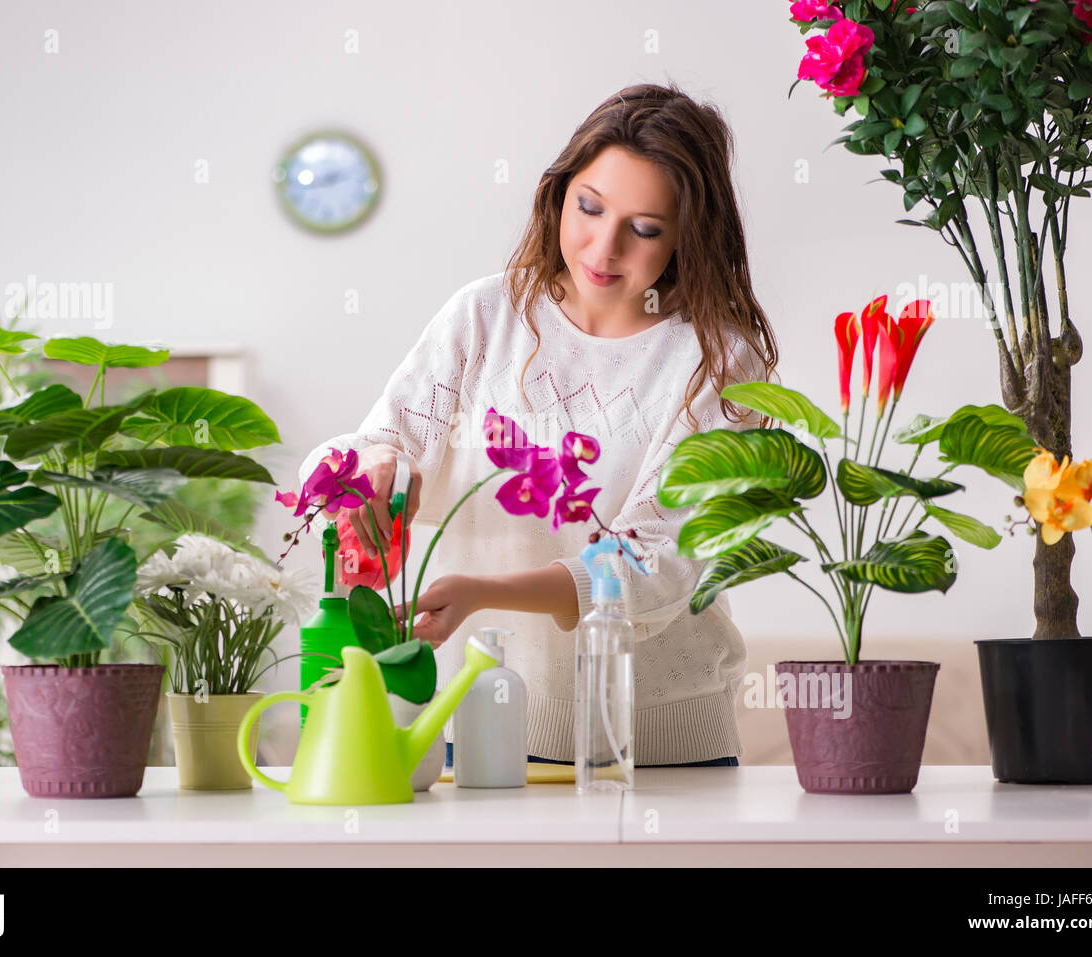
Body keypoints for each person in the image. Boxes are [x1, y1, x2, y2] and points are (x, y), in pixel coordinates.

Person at [295, 82, 778, 769]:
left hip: (661, 751)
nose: (602, 247)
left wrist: (483, 595)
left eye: (644, 229)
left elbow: (657, 559)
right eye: (589, 207)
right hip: (478, 730)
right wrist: (373, 473)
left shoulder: (717, 359)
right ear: (558, 193)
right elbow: (390, 439)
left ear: (687, 236)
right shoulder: (485, 315)